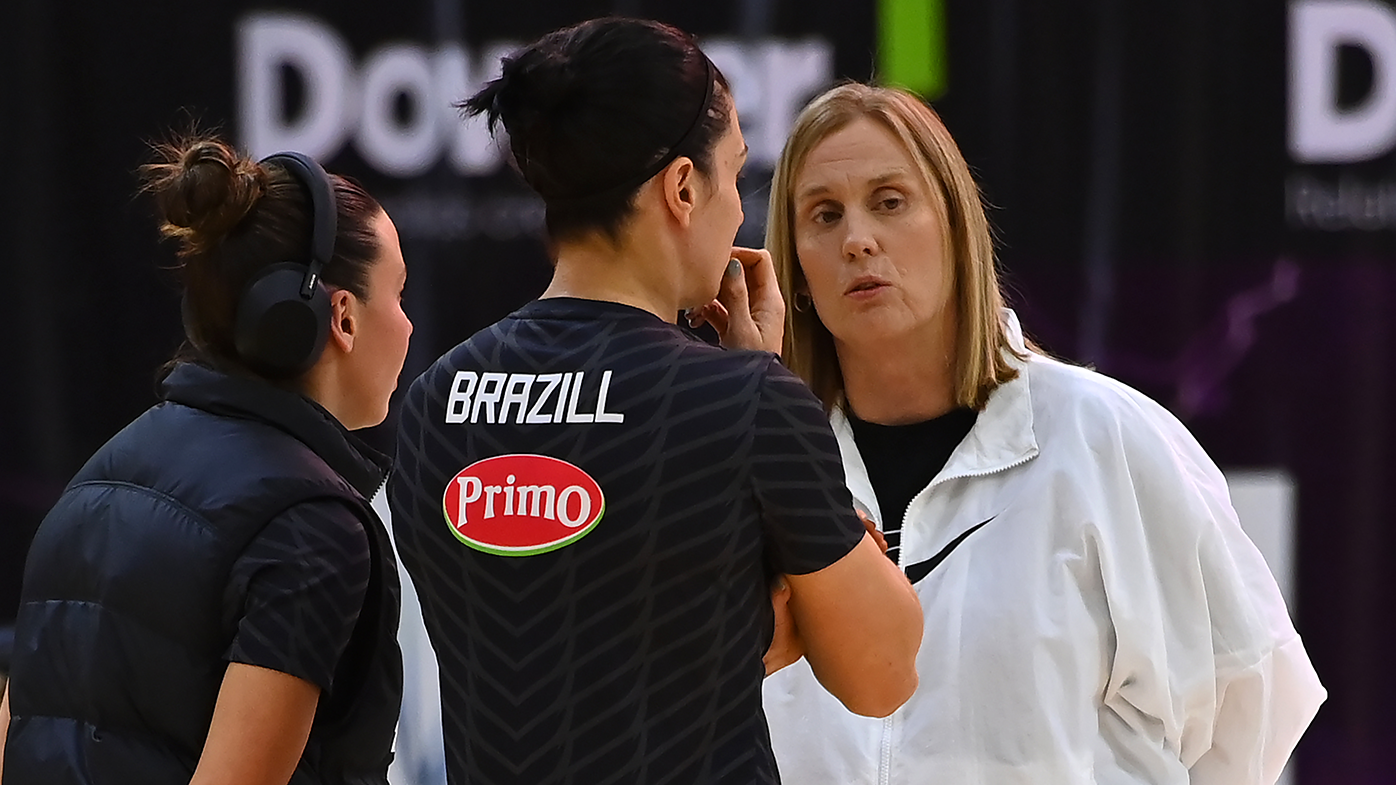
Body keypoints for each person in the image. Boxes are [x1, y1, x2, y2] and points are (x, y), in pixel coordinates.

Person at [388, 17, 922, 785]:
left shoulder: (434, 401)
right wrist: (765, 395)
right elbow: (882, 671)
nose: (739, 211)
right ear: (681, 187)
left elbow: (574, 644)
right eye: (735, 175)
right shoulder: (744, 403)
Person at [758, 81, 1327, 784]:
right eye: (824, 215)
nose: (858, 239)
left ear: (956, 227)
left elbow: (1252, 695)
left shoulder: (1104, 437)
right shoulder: (765, 473)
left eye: (889, 201)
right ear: (798, 272)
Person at [0, 136, 411, 785]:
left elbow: (17, 741)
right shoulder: (312, 526)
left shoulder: (95, 481)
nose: (409, 324)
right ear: (342, 316)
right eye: (398, 293)